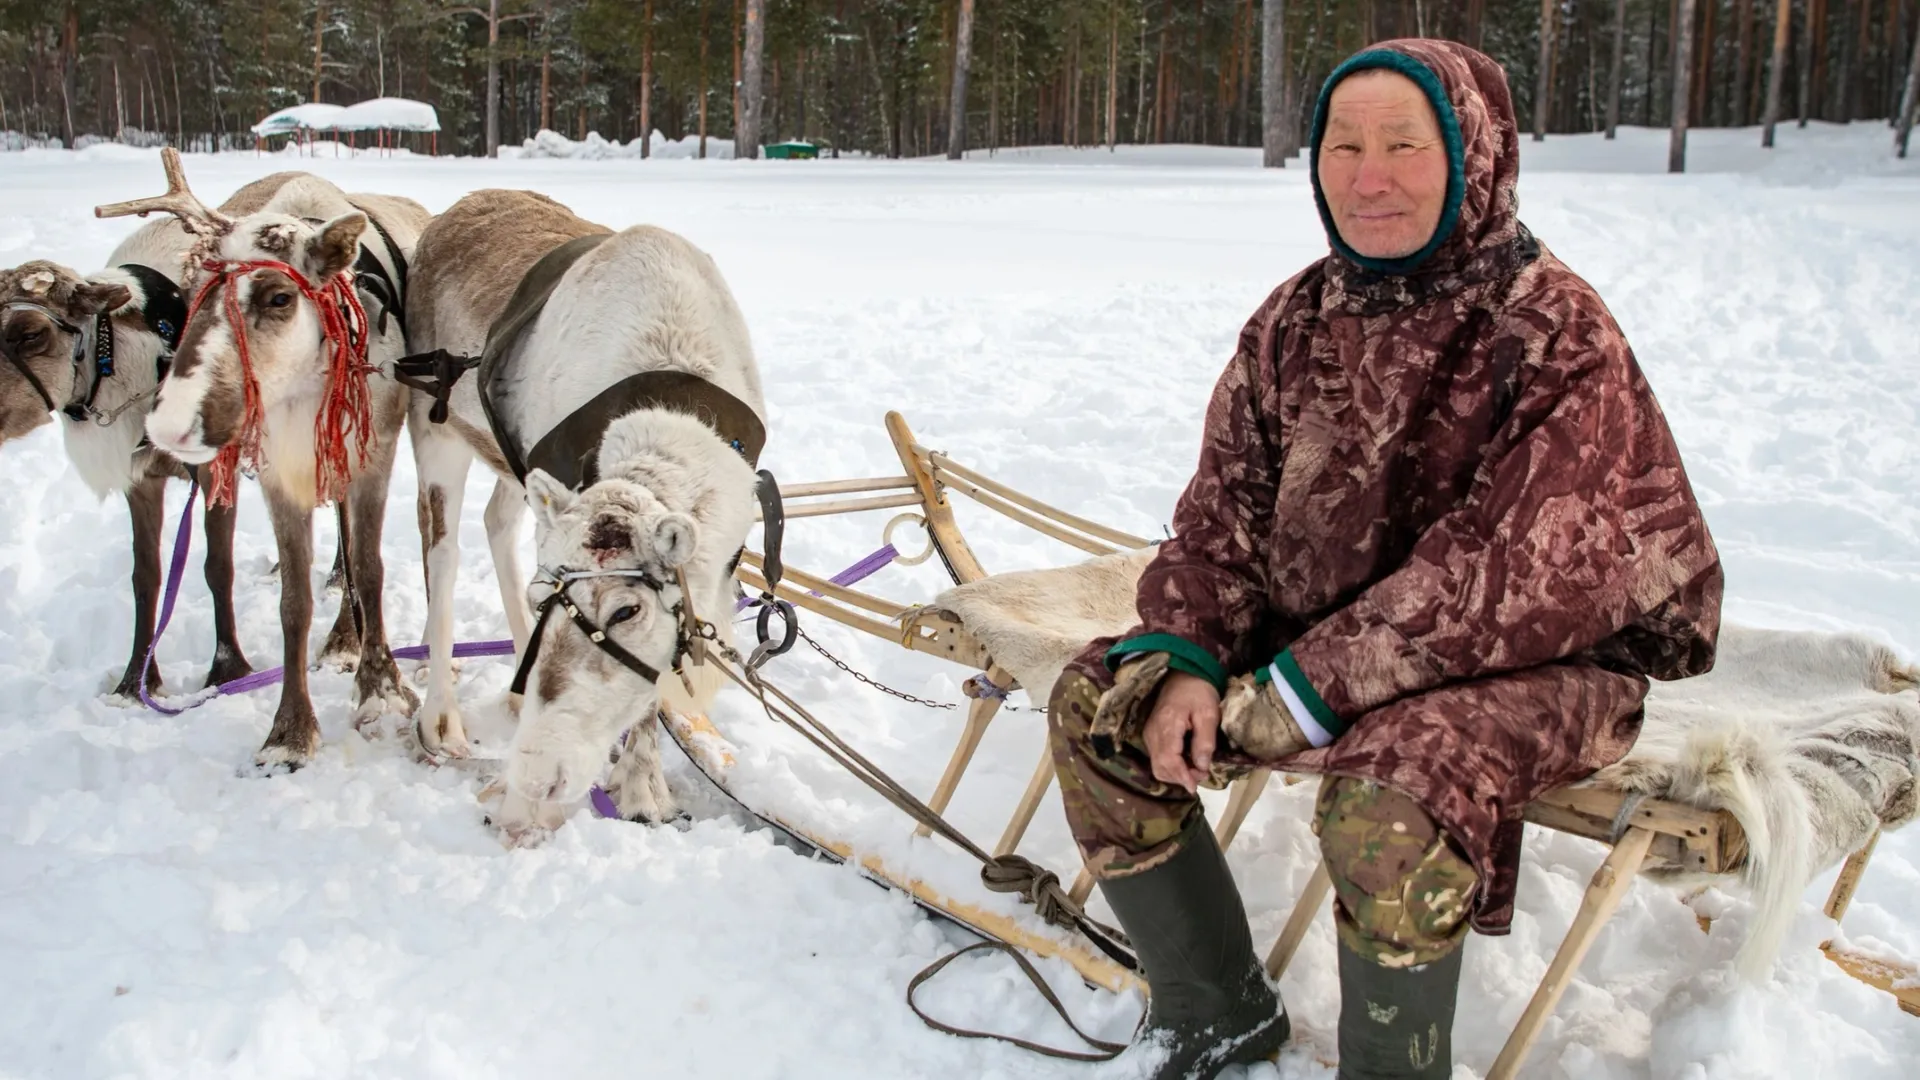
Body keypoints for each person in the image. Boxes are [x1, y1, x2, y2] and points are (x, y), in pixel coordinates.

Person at [1047, 39, 1723, 1080]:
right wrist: (1185, 653)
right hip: (1329, 645)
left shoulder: (1554, 328)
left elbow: (1508, 575)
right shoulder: (1293, 320)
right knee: (1103, 697)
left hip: (1544, 665)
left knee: (1395, 786)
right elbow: (1220, 519)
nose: (1369, 177)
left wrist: (1305, 688)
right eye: (1343, 145)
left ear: (1473, 154)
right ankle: (1212, 1006)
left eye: (1406, 145)